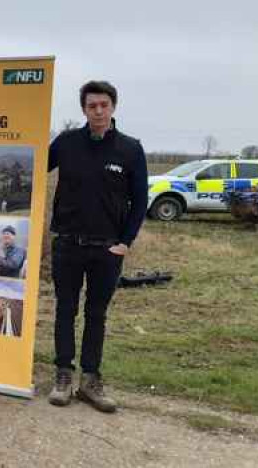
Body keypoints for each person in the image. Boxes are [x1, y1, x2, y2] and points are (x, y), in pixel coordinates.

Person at [47, 81, 148, 413]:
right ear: (84, 109)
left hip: (107, 250)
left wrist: (124, 243)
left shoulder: (130, 149)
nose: (99, 111)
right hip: (67, 245)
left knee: (96, 315)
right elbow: (30, 166)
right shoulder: (66, 143)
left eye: (104, 105)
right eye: (92, 106)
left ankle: (90, 380)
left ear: (113, 107)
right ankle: (63, 375)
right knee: (65, 310)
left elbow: (140, 202)